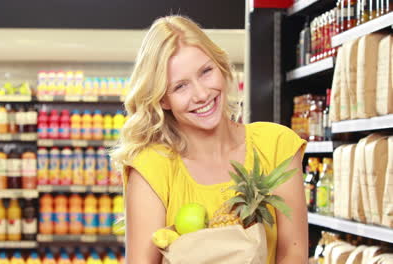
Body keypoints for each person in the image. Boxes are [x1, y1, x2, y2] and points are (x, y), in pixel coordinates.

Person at [111, 15, 308, 264]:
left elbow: (293, 254)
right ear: (162, 99)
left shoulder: (276, 146)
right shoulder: (152, 168)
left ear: (221, 66)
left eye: (205, 71)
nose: (202, 94)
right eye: (180, 86)